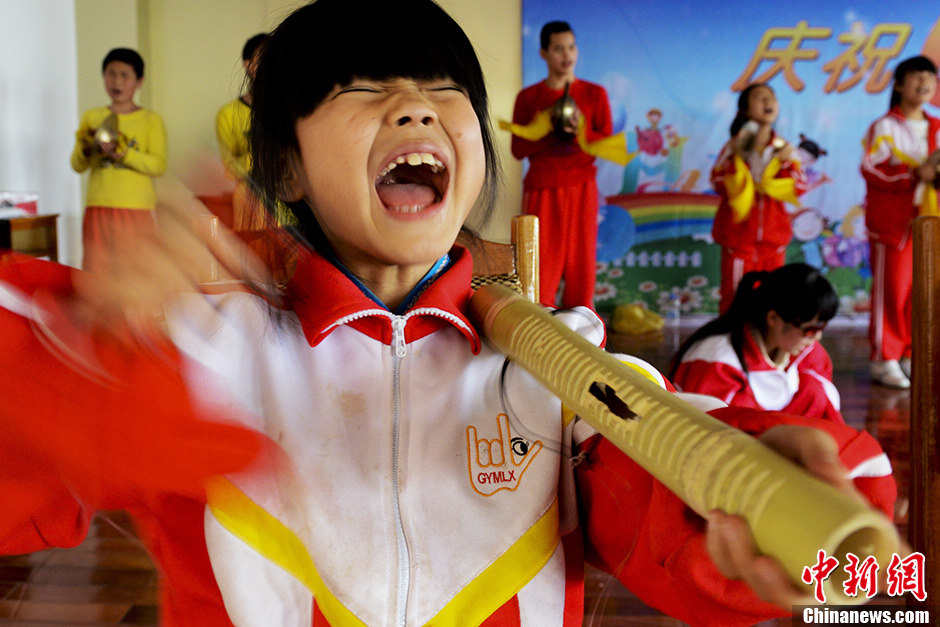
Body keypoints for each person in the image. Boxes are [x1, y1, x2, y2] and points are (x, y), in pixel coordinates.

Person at [0, 2, 896, 624]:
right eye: (361, 89)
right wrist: (90, 353)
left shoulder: (557, 360)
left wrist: (763, 509)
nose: (412, 106)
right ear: (286, 172)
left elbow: (658, 503)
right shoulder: (207, 346)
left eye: (441, 89)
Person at [511, 21, 612, 310]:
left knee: (582, 269)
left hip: (583, 187)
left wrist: (580, 131)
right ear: (543, 53)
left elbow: (605, 143)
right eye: (558, 48)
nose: (566, 55)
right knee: (542, 269)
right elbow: (518, 149)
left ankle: (583, 340)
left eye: (571, 46)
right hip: (544, 188)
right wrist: (547, 130)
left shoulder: (595, 94)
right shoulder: (529, 98)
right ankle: (538, 344)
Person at [670, 264, 843, 424]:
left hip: (772, 435)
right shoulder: (718, 361)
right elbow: (707, 428)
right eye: (810, 330)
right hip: (723, 445)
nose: (817, 337)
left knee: (816, 390)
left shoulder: (809, 353)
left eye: (822, 327)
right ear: (774, 318)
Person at [861, 55, 940, 389]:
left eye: (930, 78)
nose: (924, 83)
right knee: (893, 291)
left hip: (931, 220)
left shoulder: (938, 126)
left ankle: (912, 353)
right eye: (916, 77)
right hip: (895, 222)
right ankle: (884, 358)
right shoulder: (885, 126)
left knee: (924, 292)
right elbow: (872, 169)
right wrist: (913, 174)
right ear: (898, 85)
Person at [710, 83, 807, 313]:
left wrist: (782, 164)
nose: (768, 102)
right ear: (744, 109)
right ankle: (733, 348)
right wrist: (741, 167)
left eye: (772, 97)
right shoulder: (735, 145)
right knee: (735, 302)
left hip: (773, 242)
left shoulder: (785, 148)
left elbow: (800, 185)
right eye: (759, 97)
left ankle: (764, 349)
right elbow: (717, 180)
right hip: (738, 239)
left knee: (772, 304)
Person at [70, 48, 167, 273]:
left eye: (125, 75)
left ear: (139, 81)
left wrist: (123, 154)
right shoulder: (92, 116)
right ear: (103, 77)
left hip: (136, 208)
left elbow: (158, 166)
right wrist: (87, 148)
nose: (117, 81)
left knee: (136, 274)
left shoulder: (151, 120)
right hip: (98, 206)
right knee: (97, 273)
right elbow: (76, 165)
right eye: (111, 74)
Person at [215, 33, 269, 231]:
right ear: (248, 65)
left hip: (290, 216)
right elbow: (229, 169)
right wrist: (265, 157)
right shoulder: (227, 114)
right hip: (249, 213)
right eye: (262, 58)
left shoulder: (289, 112)